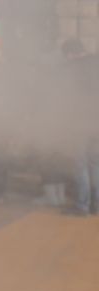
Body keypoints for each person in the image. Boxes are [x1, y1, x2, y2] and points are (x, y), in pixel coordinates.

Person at [61, 39, 99, 215]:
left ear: (70, 54)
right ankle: (96, 205)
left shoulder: (74, 68)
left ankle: (82, 206)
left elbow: (68, 97)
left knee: (80, 164)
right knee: (95, 164)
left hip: (80, 123)